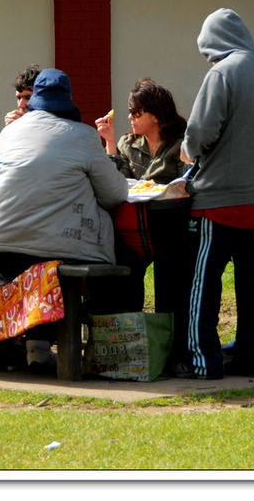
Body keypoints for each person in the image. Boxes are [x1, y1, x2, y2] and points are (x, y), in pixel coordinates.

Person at [0, 68, 129, 369]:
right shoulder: (83, 136)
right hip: (60, 249)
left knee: (37, 257)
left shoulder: (7, 133)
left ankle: (37, 349)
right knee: (110, 263)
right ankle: (99, 349)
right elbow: (114, 194)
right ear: (69, 101)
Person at [179, 7, 254, 380]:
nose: (208, 60)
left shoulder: (222, 73)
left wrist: (189, 151)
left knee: (204, 284)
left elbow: (199, 135)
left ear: (214, 45)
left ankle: (203, 362)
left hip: (220, 200)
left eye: (207, 52)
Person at [94, 77, 191, 362]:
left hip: (168, 227)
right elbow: (115, 181)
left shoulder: (179, 146)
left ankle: (174, 351)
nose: (130, 118)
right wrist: (110, 144)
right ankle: (130, 347)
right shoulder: (127, 142)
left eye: (137, 113)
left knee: (171, 289)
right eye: (129, 112)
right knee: (127, 285)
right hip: (132, 228)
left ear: (156, 115)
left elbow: (186, 183)